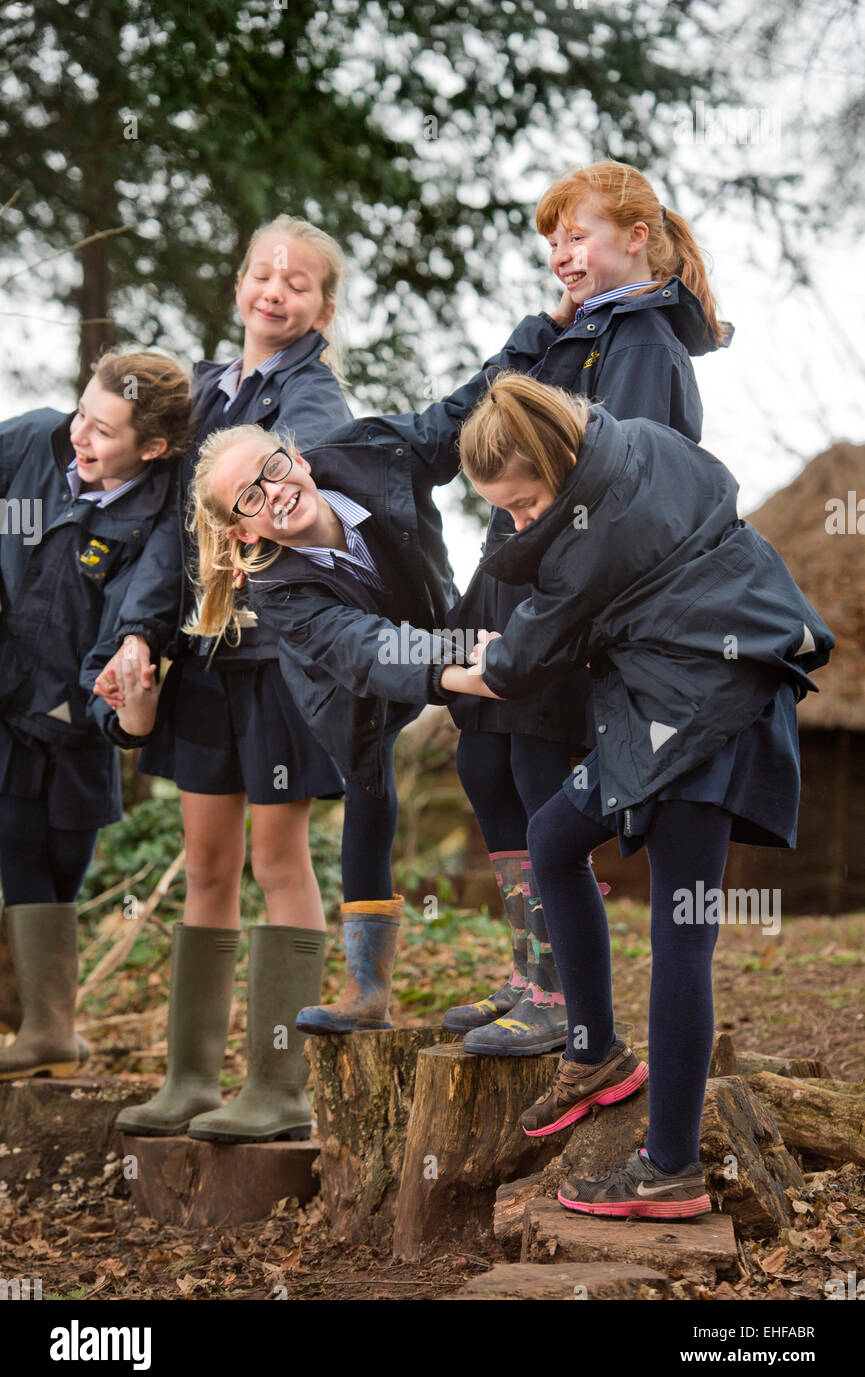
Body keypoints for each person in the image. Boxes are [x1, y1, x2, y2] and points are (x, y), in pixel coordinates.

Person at [102, 303, 568, 1140]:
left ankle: (538, 974)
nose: (273, 493)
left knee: (491, 771)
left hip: (437, 616)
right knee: (369, 792)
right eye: (248, 498)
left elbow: (455, 414)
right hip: (357, 684)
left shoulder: (364, 453)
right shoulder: (279, 588)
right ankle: (365, 989)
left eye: (274, 468)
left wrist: (545, 327)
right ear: (238, 529)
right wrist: (469, 663)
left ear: (296, 455)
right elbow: (369, 649)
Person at [439, 373, 833, 1219]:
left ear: (558, 461)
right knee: (551, 840)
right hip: (684, 695)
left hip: (705, 716)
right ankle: (595, 1054)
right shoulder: (637, 443)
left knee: (681, 936)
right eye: (501, 511)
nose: (515, 523)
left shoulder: (591, 533)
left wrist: (446, 667)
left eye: (523, 502)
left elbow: (514, 666)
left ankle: (669, 1169)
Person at [445, 159, 733, 1058]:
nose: (562, 255)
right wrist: (544, 330)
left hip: (564, 590)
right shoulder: (582, 330)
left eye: (579, 235)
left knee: (534, 771)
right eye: (553, 241)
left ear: (635, 237)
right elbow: (498, 422)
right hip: (511, 567)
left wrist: (552, 613)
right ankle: (532, 967)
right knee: (484, 766)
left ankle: (560, 992)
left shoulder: (643, 344)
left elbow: (619, 492)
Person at [92, 217, 354, 1144]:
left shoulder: (317, 404)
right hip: (201, 661)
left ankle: (277, 1089)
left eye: (298, 282)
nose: (274, 292)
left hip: (279, 661)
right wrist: (136, 632)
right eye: (262, 274)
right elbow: (165, 530)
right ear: (238, 284)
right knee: (206, 863)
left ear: (324, 307)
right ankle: (188, 1081)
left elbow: (302, 519)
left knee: (277, 861)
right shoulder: (200, 391)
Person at [0, 348, 191, 1081]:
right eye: (83, 413)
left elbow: (134, 616)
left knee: (65, 851)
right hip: (9, 689)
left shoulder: (156, 518)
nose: (81, 436)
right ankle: (45, 1028)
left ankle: (52, 1023)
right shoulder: (34, 442)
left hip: (79, 708)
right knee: (14, 832)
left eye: (103, 432)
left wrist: (121, 689)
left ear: (152, 448)